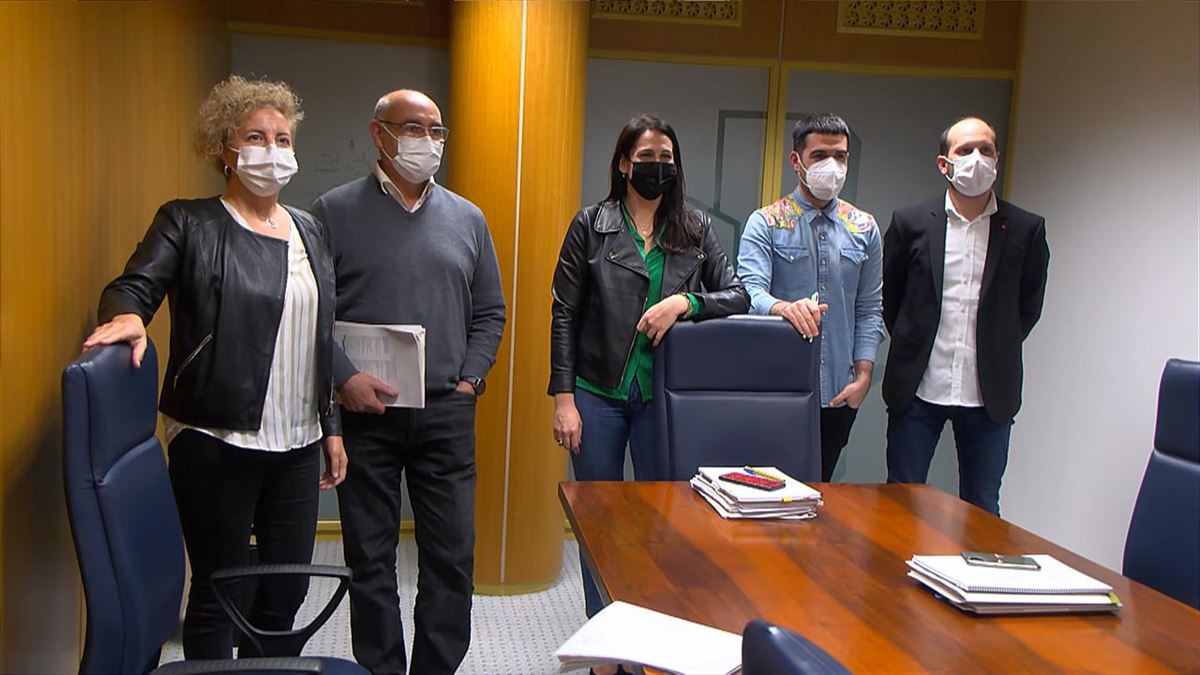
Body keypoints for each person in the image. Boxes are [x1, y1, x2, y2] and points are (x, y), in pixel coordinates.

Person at [83, 74, 346, 658]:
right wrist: (127, 316)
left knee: (286, 591)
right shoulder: (188, 222)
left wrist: (331, 426)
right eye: (255, 137)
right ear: (224, 149)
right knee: (220, 592)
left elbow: (319, 336)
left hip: (298, 441)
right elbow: (132, 287)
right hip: (215, 437)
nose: (272, 150)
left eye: (282, 138)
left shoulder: (309, 230)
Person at [311, 89, 505, 675]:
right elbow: (312, 313)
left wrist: (471, 379)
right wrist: (343, 378)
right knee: (370, 559)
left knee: (451, 558)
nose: (428, 141)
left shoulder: (467, 218)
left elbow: (490, 311)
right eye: (414, 128)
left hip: (446, 412)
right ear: (380, 133)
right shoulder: (331, 212)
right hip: (364, 416)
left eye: (436, 130)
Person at [549, 113, 750, 628]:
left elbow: (737, 295)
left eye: (666, 158)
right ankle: (605, 641)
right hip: (596, 393)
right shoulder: (590, 226)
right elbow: (564, 314)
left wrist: (686, 302)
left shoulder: (695, 228)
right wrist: (564, 399)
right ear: (623, 164)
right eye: (645, 158)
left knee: (663, 522)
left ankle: (652, 634)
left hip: (664, 397)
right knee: (599, 521)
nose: (657, 167)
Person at [882, 115, 1050, 516]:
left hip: (988, 393)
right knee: (901, 502)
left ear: (997, 159)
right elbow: (891, 298)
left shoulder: (1026, 229)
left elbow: (1028, 307)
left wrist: (996, 344)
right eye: (965, 150)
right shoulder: (910, 223)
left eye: (985, 149)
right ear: (944, 163)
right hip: (919, 388)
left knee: (982, 507)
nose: (977, 158)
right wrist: (913, 340)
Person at [737, 113, 885, 482]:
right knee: (766, 491)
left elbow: (869, 307)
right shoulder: (766, 222)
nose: (831, 165)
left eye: (840, 156)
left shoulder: (864, 227)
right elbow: (748, 293)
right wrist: (783, 308)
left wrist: (864, 375)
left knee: (819, 491)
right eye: (819, 155)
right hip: (774, 387)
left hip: (837, 392)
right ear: (796, 160)